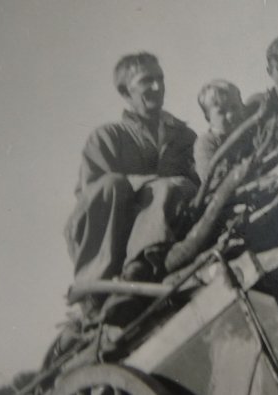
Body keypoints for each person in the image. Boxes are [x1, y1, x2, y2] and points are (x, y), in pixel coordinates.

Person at [64, 52, 200, 313]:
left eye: (160, 79)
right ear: (125, 91)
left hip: (177, 229)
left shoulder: (183, 136)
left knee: (172, 188)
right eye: (146, 81)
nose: (157, 87)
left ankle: (141, 268)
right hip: (116, 240)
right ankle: (107, 285)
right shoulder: (107, 137)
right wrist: (151, 183)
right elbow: (94, 198)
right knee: (118, 184)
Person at [194, 79, 247, 181]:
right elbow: (211, 179)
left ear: (242, 106)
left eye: (234, 107)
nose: (230, 115)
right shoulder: (206, 142)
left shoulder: (248, 134)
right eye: (221, 112)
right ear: (208, 118)